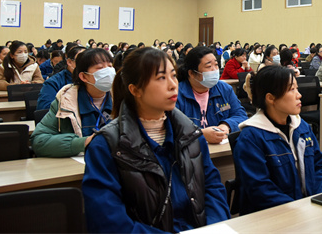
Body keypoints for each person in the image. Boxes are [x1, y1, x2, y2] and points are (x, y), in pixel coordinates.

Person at [82, 47, 230, 232]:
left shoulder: (191, 135)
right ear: (135, 89)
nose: (173, 85)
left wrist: (213, 228)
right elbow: (108, 221)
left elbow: (213, 189)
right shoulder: (106, 146)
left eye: (173, 75)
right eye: (161, 78)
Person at [233, 65, 322, 215]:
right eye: (292, 90)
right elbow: (260, 189)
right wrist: (299, 210)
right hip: (272, 216)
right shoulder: (251, 138)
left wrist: (320, 198)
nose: (299, 95)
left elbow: (318, 165)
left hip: (308, 210)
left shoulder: (302, 126)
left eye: (297, 88)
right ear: (271, 98)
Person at [31, 48, 114, 157]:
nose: (108, 72)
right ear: (84, 76)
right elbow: (39, 141)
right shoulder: (66, 101)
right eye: (100, 68)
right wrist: (83, 142)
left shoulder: (123, 99)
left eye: (110, 66)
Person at [176, 46, 247, 144]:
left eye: (216, 65)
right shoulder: (177, 94)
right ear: (192, 73)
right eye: (209, 66)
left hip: (220, 149)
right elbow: (172, 128)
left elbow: (241, 115)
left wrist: (226, 125)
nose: (215, 70)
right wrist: (201, 134)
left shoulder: (224, 89)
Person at [36, 46, 86, 110]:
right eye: (82, 62)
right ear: (69, 62)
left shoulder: (90, 80)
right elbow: (45, 108)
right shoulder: (53, 82)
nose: (86, 65)